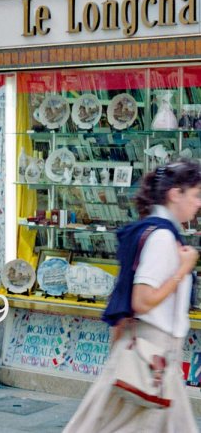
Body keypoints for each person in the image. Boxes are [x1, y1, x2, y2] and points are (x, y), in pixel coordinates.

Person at [64, 159, 201, 433]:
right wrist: (183, 270)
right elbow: (142, 299)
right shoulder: (162, 238)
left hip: (147, 354)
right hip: (151, 357)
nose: (199, 203)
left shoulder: (148, 230)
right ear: (176, 194)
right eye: (196, 195)